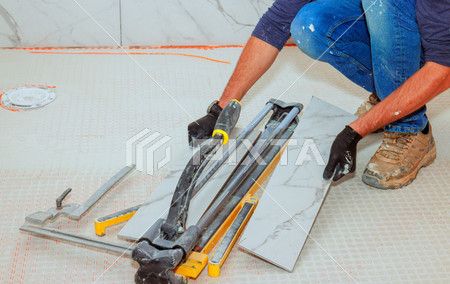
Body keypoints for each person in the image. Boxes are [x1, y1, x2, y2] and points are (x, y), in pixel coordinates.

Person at [188, 0, 449, 189]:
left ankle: (410, 128)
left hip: (433, 46)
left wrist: (356, 130)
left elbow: (443, 67)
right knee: (309, 25)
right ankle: (390, 95)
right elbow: (277, 22)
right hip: (397, 21)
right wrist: (221, 108)